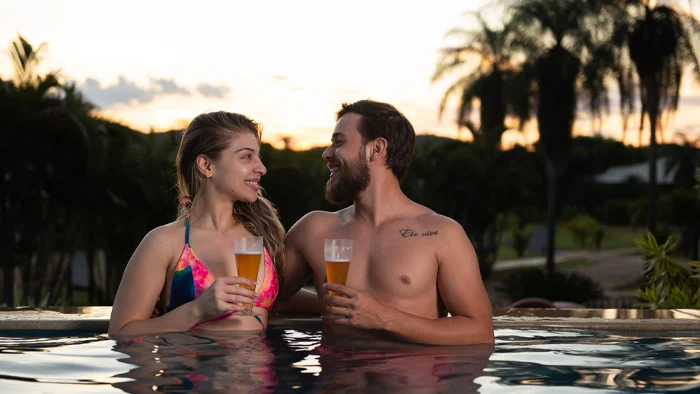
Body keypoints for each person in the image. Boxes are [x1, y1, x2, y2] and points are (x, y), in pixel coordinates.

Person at [281, 99, 494, 345]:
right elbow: (267, 298)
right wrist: (333, 306)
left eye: (339, 143)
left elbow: (480, 331)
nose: (327, 154)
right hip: (339, 382)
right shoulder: (314, 230)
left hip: (407, 380)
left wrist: (382, 317)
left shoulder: (441, 233)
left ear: (376, 148)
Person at [109, 111, 285, 338]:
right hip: (192, 369)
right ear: (206, 165)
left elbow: (287, 296)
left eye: (258, 157)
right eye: (246, 157)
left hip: (258, 370)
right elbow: (121, 332)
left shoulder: (264, 232)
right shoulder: (164, 242)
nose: (261, 168)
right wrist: (198, 310)